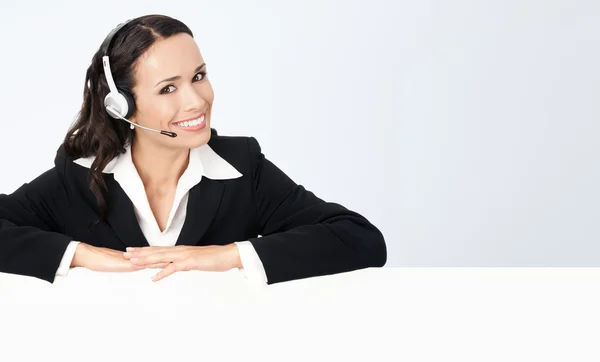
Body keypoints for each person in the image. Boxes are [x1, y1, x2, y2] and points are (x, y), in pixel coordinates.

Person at [0, 14, 386, 285]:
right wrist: (82, 254)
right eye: (168, 88)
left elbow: (360, 239)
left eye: (198, 77)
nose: (196, 101)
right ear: (121, 106)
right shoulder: (79, 176)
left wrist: (224, 255)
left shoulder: (241, 169)